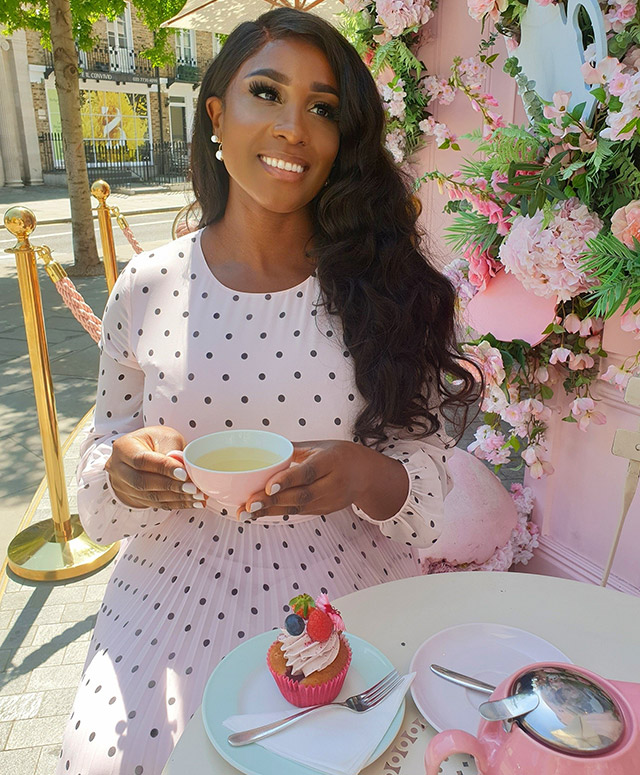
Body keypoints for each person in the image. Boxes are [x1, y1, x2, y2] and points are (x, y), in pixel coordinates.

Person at [56, 8, 480, 773]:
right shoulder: (146, 288)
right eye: (266, 92)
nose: (294, 128)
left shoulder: (387, 291)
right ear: (215, 114)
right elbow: (98, 467)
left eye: (322, 108)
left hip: (348, 592)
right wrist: (120, 468)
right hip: (167, 588)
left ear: (343, 138)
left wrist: (363, 471)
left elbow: (425, 484)